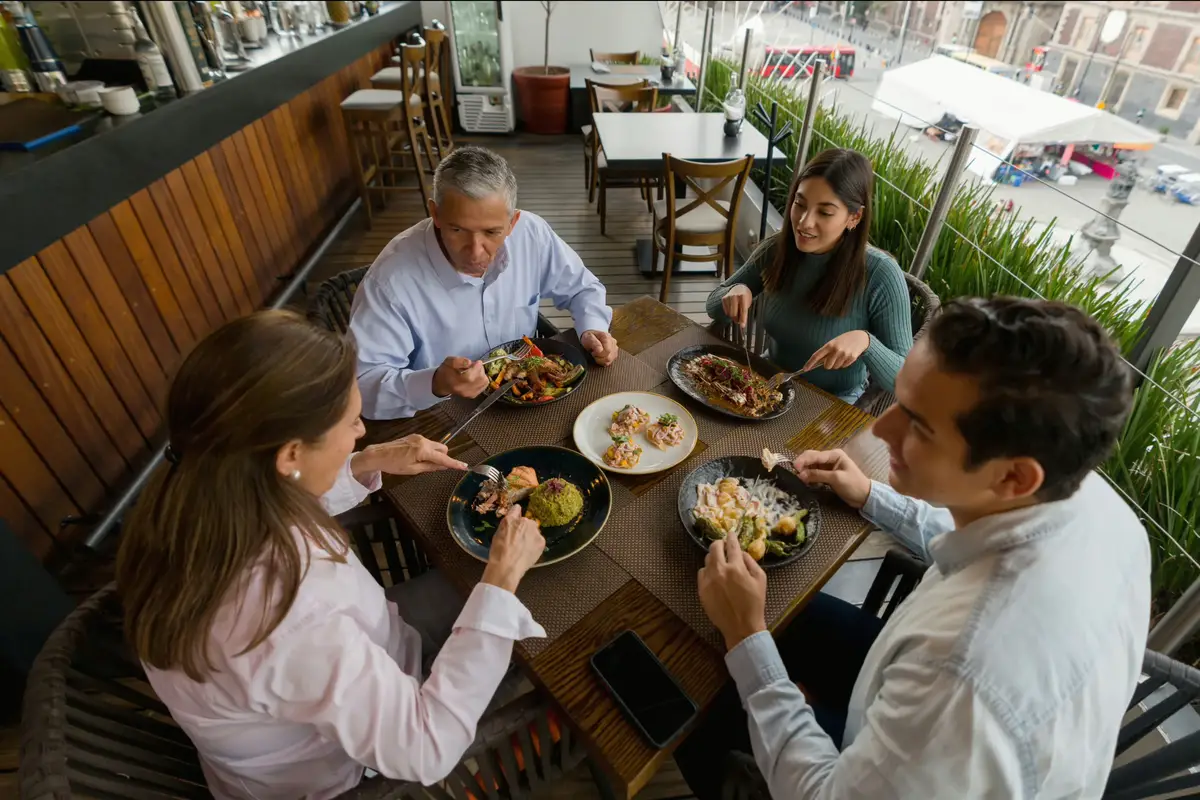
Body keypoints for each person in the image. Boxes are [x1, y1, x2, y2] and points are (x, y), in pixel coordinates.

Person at [677, 297, 1151, 798]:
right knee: (782, 611)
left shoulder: (961, 680)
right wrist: (869, 494)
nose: (882, 429)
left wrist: (750, 640)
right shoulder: (1092, 498)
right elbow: (977, 525)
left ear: (1013, 474)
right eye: (900, 401)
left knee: (686, 698)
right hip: (917, 721)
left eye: (919, 424)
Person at [116, 310, 548, 800]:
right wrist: (501, 578)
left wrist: (365, 462)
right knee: (539, 623)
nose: (361, 431)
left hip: (365, 655)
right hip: (347, 769)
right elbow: (425, 749)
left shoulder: (200, 490)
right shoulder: (286, 616)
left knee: (509, 594)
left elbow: (284, 505)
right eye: (350, 423)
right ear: (290, 455)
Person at [349, 145, 618, 420]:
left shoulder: (531, 234)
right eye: (457, 230)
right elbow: (363, 388)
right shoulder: (389, 282)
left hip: (528, 398)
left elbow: (583, 288)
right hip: (439, 416)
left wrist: (592, 328)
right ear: (436, 214)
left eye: (492, 232)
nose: (476, 252)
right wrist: (435, 383)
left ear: (513, 223)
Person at [706, 148, 913, 405]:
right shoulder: (778, 249)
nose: (804, 222)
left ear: (855, 216)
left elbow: (907, 382)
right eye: (799, 204)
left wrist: (867, 343)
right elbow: (713, 306)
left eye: (824, 212)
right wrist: (735, 290)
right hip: (769, 386)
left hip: (832, 405)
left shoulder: (881, 273)